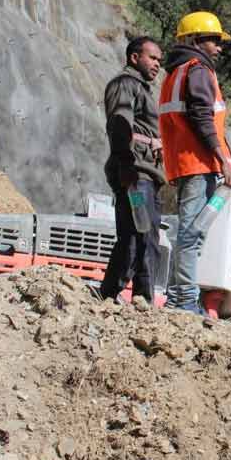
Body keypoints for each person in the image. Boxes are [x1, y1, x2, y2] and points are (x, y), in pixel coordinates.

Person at [159, 11, 231, 314]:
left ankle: (181, 297)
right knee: (191, 235)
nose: (219, 47)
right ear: (194, 40)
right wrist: (223, 161)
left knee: (189, 233)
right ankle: (184, 301)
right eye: (214, 40)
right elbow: (203, 119)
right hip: (199, 164)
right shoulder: (198, 70)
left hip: (185, 164)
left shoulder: (175, 73)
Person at [100, 36, 165, 302]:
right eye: (152, 58)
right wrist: (126, 163)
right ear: (134, 57)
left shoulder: (141, 88)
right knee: (140, 233)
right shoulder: (125, 84)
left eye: (160, 60)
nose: (157, 64)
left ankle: (119, 294)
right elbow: (119, 124)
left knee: (139, 234)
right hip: (135, 176)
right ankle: (135, 297)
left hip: (143, 173)